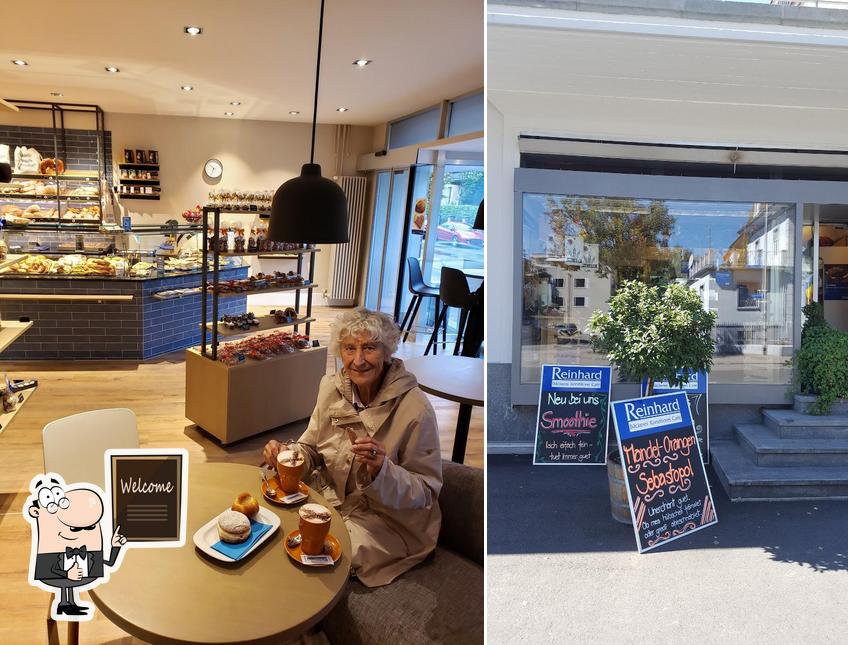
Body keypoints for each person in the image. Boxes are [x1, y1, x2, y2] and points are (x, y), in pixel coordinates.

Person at [263, 307, 442, 587]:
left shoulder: (416, 409)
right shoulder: (330, 387)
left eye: (369, 348)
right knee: (276, 524)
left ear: (387, 352)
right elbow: (311, 447)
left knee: (322, 552)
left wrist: (382, 471)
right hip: (333, 499)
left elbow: (426, 492)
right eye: (349, 348)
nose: (358, 360)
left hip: (386, 521)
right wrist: (287, 455)